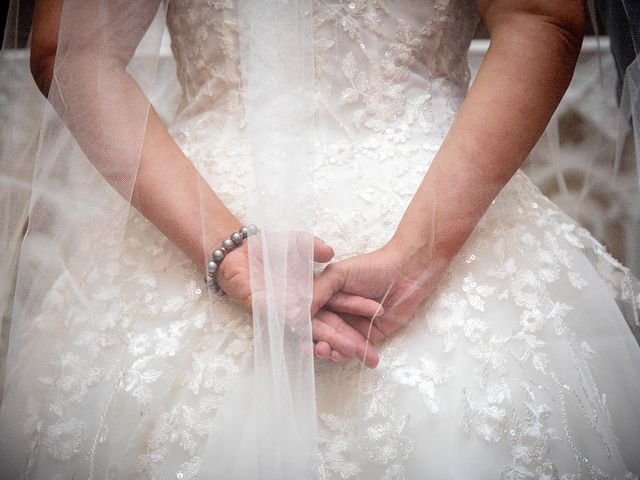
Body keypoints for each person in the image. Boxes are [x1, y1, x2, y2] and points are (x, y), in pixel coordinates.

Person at [1, 0, 639, 478]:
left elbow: (74, 50)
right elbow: (541, 20)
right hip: (435, 194)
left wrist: (228, 254)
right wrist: (417, 253)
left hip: (196, 207)